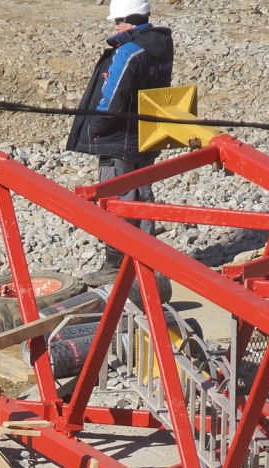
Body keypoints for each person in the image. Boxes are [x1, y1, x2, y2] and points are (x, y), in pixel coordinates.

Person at [68, 1, 174, 270]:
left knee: (117, 199)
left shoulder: (128, 52)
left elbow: (111, 100)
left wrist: (94, 130)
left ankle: (117, 265)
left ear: (131, 19)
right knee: (142, 193)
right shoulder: (161, 46)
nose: (115, 27)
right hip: (147, 136)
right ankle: (147, 259)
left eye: (117, 21)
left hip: (117, 140)